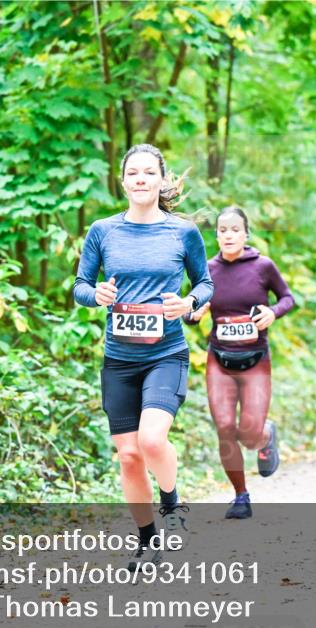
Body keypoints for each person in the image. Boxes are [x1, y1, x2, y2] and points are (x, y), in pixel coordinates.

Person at [73, 144, 213, 570]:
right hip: (119, 359)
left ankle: (172, 504)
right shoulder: (102, 230)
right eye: (133, 172)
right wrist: (96, 295)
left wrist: (188, 303)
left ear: (161, 179)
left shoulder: (182, 232)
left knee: (151, 441)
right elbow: (80, 287)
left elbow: (205, 283)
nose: (140, 179)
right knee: (129, 456)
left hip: (166, 354)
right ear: (122, 181)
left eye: (149, 172)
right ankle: (148, 541)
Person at [185, 206, 295, 520]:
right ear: (217, 235)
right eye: (223, 230)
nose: (229, 235)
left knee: (248, 434)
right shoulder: (207, 270)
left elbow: (288, 298)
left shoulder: (263, 266)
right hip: (219, 360)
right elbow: (189, 310)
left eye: (235, 230)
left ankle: (265, 435)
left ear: (246, 234)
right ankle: (240, 495)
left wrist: (273, 312)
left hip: (255, 360)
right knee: (224, 427)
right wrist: (194, 313)